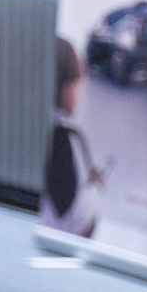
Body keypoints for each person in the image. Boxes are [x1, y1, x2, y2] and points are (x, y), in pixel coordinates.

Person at [43, 36, 103, 237]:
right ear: (65, 89)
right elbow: (81, 220)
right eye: (77, 84)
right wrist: (94, 189)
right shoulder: (64, 139)